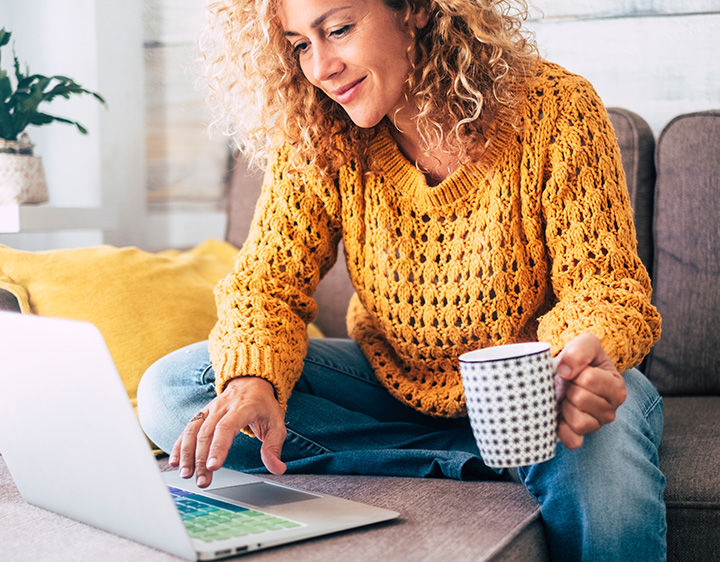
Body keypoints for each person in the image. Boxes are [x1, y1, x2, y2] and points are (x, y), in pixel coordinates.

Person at [137, 0, 667, 560]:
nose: (320, 68)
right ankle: (469, 459)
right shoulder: (318, 131)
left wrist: (574, 367)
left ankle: (515, 449)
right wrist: (252, 381)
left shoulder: (555, 110)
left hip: (535, 386)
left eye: (338, 30)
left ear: (415, 9)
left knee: (600, 442)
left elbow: (605, 291)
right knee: (176, 387)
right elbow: (266, 285)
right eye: (299, 45)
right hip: (395, 384)